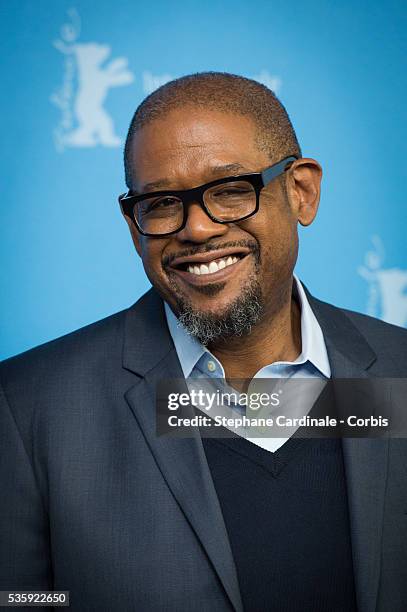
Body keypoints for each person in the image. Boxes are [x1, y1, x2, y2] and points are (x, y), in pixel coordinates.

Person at [1, 72, 406, 612]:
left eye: (230, 191)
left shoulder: (397, 374)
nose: (195, 229)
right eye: (163, 203)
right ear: (133, 224)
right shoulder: (30, 408)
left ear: (301, 192)